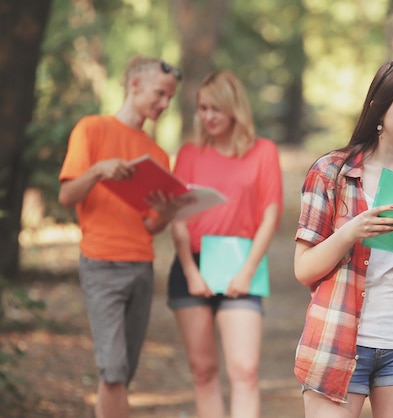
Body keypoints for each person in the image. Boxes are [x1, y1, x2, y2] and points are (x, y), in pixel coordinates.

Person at [293, 59, 393, 418]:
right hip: (337, 340)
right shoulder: (330, 172)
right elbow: (303, 269)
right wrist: (352, 232)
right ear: (379, 110)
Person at [58, 55, 186, 418]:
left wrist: (167, 211)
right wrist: (98, 170)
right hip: (101, 264)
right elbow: (67, 197)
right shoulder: (91, 129)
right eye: (159, 94)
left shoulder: (158, 154)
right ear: (134, 85)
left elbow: (150, 226)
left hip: (141, 267)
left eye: (169, 99)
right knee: (113, 370)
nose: (164, 104)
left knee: (120, 375)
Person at [167, 70, 283, 418]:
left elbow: (270, 215)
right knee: (203, 371)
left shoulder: (263, 151)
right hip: (193, 267)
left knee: (244, 370)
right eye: (203, 108)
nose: (208, 116)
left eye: (215, 108)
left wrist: (247, 272)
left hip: (241, 264)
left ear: (234, 108)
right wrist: (190, 271)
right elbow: (178, 218)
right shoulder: (189, 153)